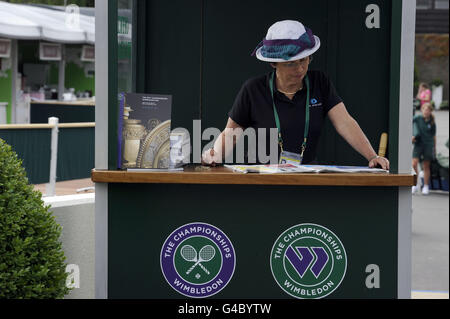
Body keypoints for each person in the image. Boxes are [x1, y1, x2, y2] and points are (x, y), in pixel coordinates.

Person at [202, 20, 389, 170]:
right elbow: (230, 133)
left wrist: (372, 156)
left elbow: (344, 122)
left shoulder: (320, 82)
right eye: (291, 63)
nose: (300, 68)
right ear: (273, 64)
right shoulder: (253, 89)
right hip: (260, 181)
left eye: (305, 60)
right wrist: (215, 154)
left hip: (307, 179)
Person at [412, 102, 437, 195]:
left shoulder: (432, 122)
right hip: (418, 144)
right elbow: (410, 125)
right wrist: (412, 136)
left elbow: (434, 136)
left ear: (430, 111)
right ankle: (414, 185)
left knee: (426, 166)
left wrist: (434, 148)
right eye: (424, 109)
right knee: (414, 164)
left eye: (428, 110)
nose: (426, 111)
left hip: (428, 145)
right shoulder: (417, 118)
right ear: (422, 110)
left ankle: (426, 186)